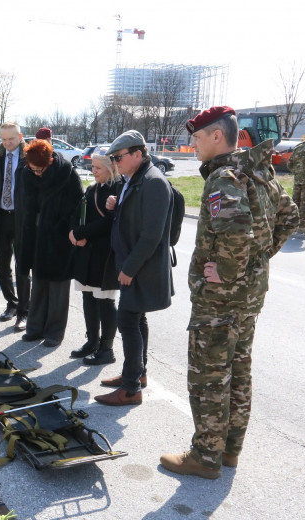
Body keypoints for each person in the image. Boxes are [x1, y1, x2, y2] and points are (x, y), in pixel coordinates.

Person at [160, 106, 298, 479]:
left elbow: (237, 230)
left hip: (220, 301)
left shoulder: (224, 177)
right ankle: (229, 451)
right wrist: (257, 261)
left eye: (198, 136)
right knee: (237, 370)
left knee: (208, 376)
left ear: (216, 136)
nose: (194, 143)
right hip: (250, 297)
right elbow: (291, 215)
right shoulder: (259, 170)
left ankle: (205, 456)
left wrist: (224, 272)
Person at [94, 130, 173, 407]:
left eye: (118, 157)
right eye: (113, 158)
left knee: (127, 320)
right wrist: (116, 206)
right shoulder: (133, 179)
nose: (115, 162)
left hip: (140, 268)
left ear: (138, 154)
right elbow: (134, 219)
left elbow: (151, 235)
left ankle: (130, 389)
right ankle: (138, 376)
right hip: (133, 264)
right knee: (137, 320)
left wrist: (128, 268)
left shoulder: (153, 182)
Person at [16, 139, 82, 347]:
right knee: (39, 285)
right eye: (32, 169)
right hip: (35, 237)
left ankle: (54, 332)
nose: (36, 173)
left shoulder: (67, 174)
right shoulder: (28, 174)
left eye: (39, 169)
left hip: (59, 239)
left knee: (58, 290)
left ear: (50, 161)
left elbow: (77, 206)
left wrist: (62, 227)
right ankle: (34, 328)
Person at [68, 153, 123, 364]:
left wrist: (81, 234)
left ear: (111, 169)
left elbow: (110, 222)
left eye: (99, 167)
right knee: (88, 298)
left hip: (104, 256)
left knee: (105, 301)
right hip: (86, 254)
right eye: (93, 167)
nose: (94, 171)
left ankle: (106, 349)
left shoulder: (116, 189)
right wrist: (72, 232)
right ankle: (92, 341)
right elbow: (77, 212)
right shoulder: (93, 188)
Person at [0, 122, 30, 331]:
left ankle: (24, 311)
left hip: (21, 218)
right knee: (2, 266)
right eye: (3, 139)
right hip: (0, 217)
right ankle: (11, 303)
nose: (7, 143)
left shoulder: (29, 157)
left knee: (22, 267)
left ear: (20, 136)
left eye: (11, 138)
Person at [287, 130, 305, 234]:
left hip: (298, 180)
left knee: (296, 202)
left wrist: (297, 172)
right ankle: (302, 226)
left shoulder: (297, 148)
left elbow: (289, 164)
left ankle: (294, 225)